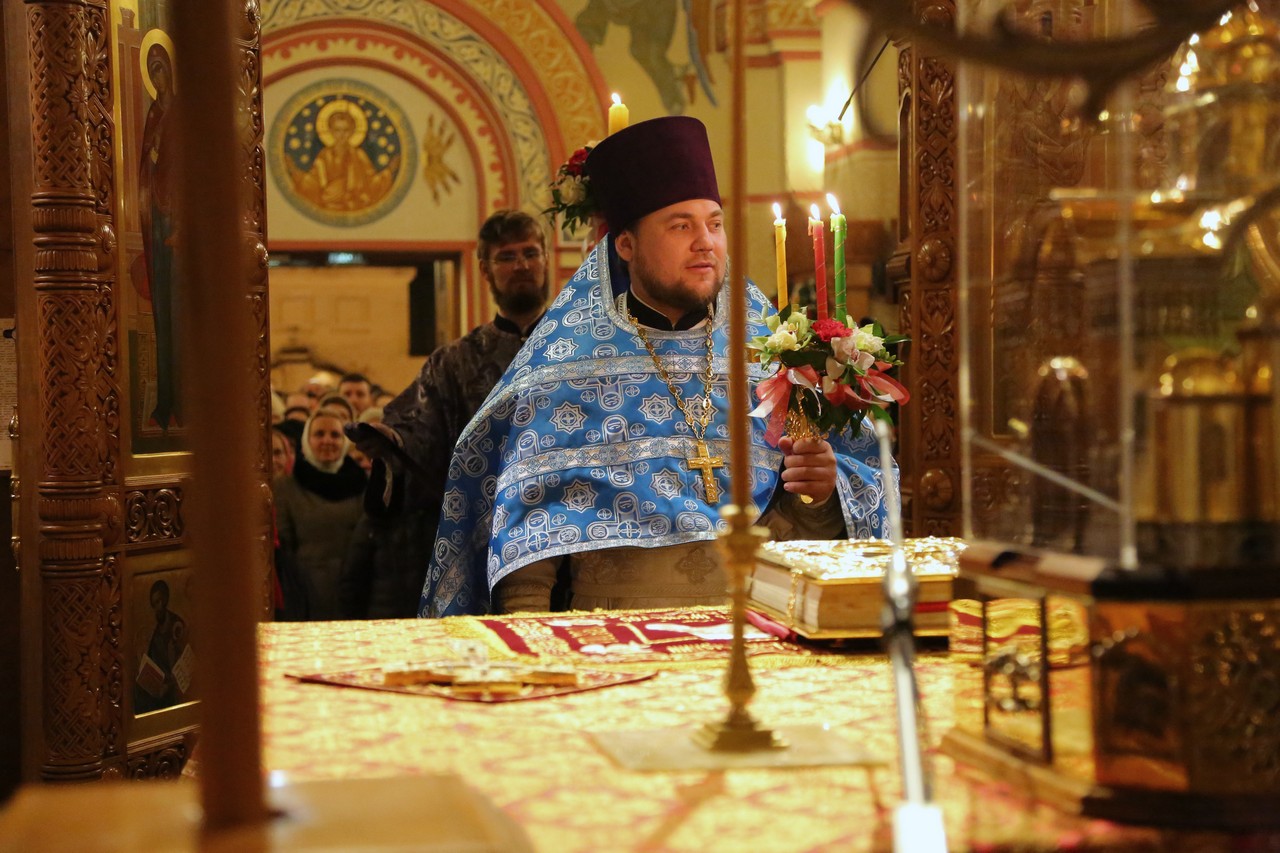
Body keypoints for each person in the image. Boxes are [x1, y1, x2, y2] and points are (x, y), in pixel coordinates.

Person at [422, 116, 891, 617]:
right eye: (680, 226)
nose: (705, 242)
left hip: (756, 629)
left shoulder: (774, 359)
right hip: (612, 636)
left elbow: (817, 530)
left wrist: (822, 493)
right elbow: (527, 567)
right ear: (625, 245)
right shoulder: (565, 368)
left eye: (714, 224)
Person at [348, 209, 552, 616]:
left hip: (565, 530)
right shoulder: (454, 363)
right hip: (482, 538)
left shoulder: (578, 350)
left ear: (546, 259)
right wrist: (394, 440)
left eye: (530, 253)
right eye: (507, 256)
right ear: (485, 269)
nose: (522, 265)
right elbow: (419, 430)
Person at [273, 410, 367, 619]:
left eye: (335, 435)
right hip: (306, 594)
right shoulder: (285, 488)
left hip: (355, 590)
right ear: (307, 441)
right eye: (319, 434)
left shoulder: (361, 484)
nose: (327, 441)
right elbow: (285, 549)